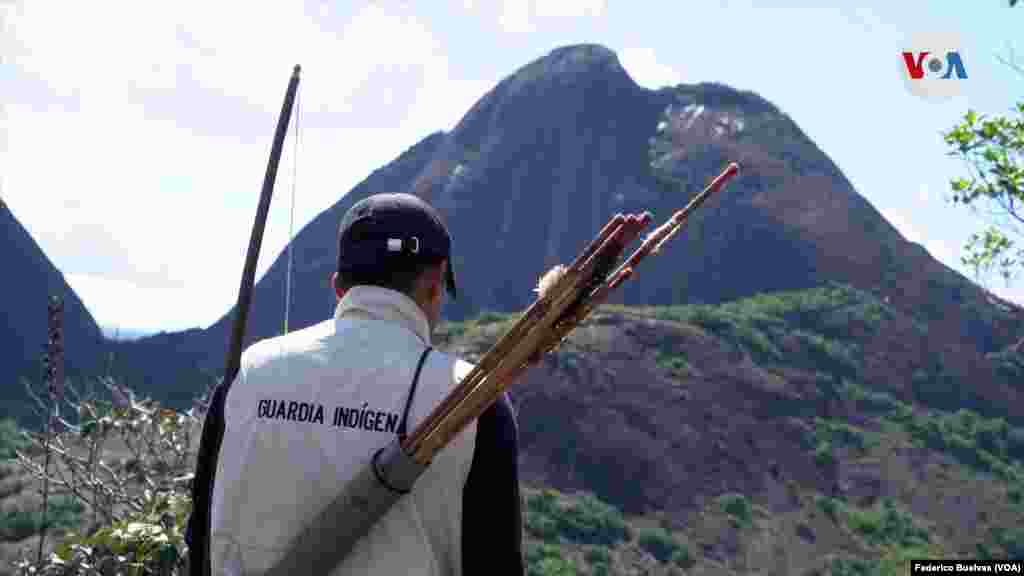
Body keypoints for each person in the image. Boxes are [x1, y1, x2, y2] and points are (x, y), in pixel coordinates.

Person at [204, 193, 524, 575]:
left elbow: (201, 536)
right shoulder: (474, 401)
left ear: (339, 286)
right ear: (436, 283)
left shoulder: (247, 373)